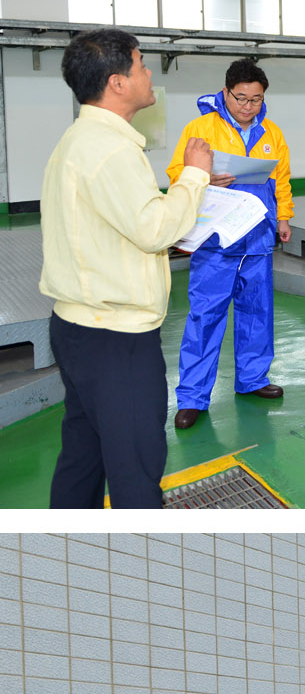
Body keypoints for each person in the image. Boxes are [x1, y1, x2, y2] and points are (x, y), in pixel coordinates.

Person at [39, 27, 211, 508]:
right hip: (115, 340)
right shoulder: (111, 150)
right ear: (117, 82)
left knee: (84, 456)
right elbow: (154, 229)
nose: (148, 72)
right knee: (135, 470)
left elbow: (116, 223)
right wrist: (194, 176)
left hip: (77, 326)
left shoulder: (80, 139)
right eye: (140, 64)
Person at [166, 58, 294, 429]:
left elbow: (281, 180)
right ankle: (192, 396)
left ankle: (252, 379)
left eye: (256, 99)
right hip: (216, 241)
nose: (248, 106)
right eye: (241, 98)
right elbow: (177, 172)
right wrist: (203, 177)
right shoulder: (201, 129)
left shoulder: (272, 133)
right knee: (206, 316)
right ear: (225, 93)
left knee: (257, 313)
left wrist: (283, 217)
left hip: (256, 237)